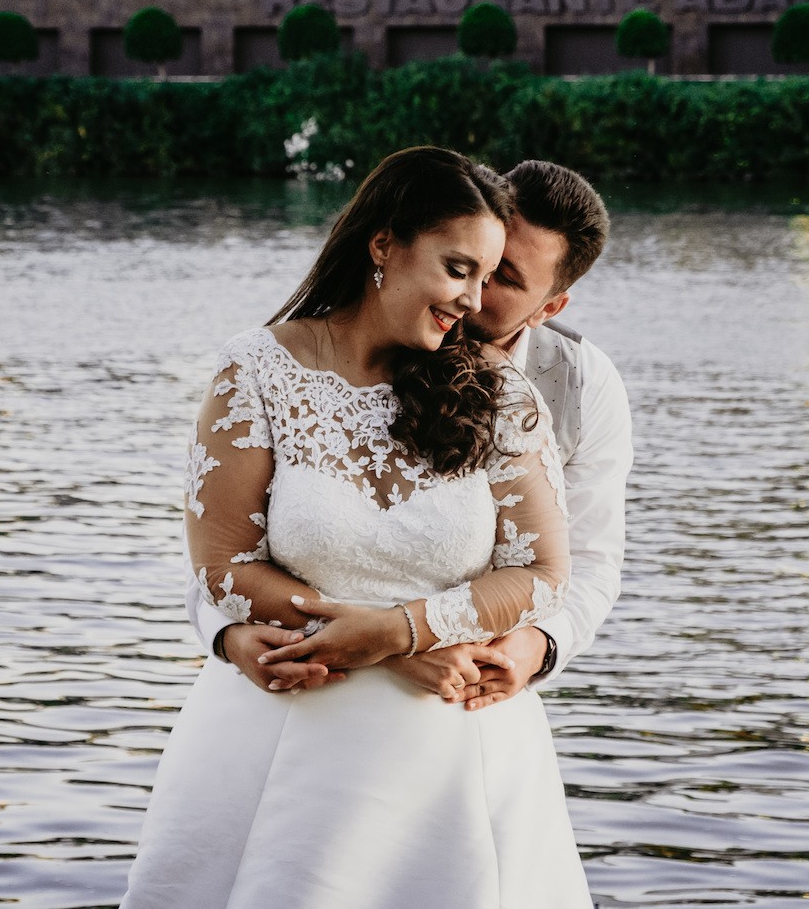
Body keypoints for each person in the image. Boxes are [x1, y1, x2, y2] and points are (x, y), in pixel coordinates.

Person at [121, 147, 591, 909]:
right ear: (384, 245)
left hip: (453, 748)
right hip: (281, 728)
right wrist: (377, 649)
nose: (474, 300)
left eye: (488, 276)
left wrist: (402, 630)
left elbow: (543, 575)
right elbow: (222, 565)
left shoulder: (498, 391)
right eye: (458, 268)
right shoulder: (258, 370)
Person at [192, 160, 631, 714]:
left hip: (464, 687)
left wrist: (536, 647)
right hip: (295, 689)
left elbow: (580, 563)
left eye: (501, 278)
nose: (475, 295)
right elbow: (225, 551)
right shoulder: (281, 362)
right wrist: (228, 634)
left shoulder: (566, 387)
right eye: (465, 265)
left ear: (548, 308)